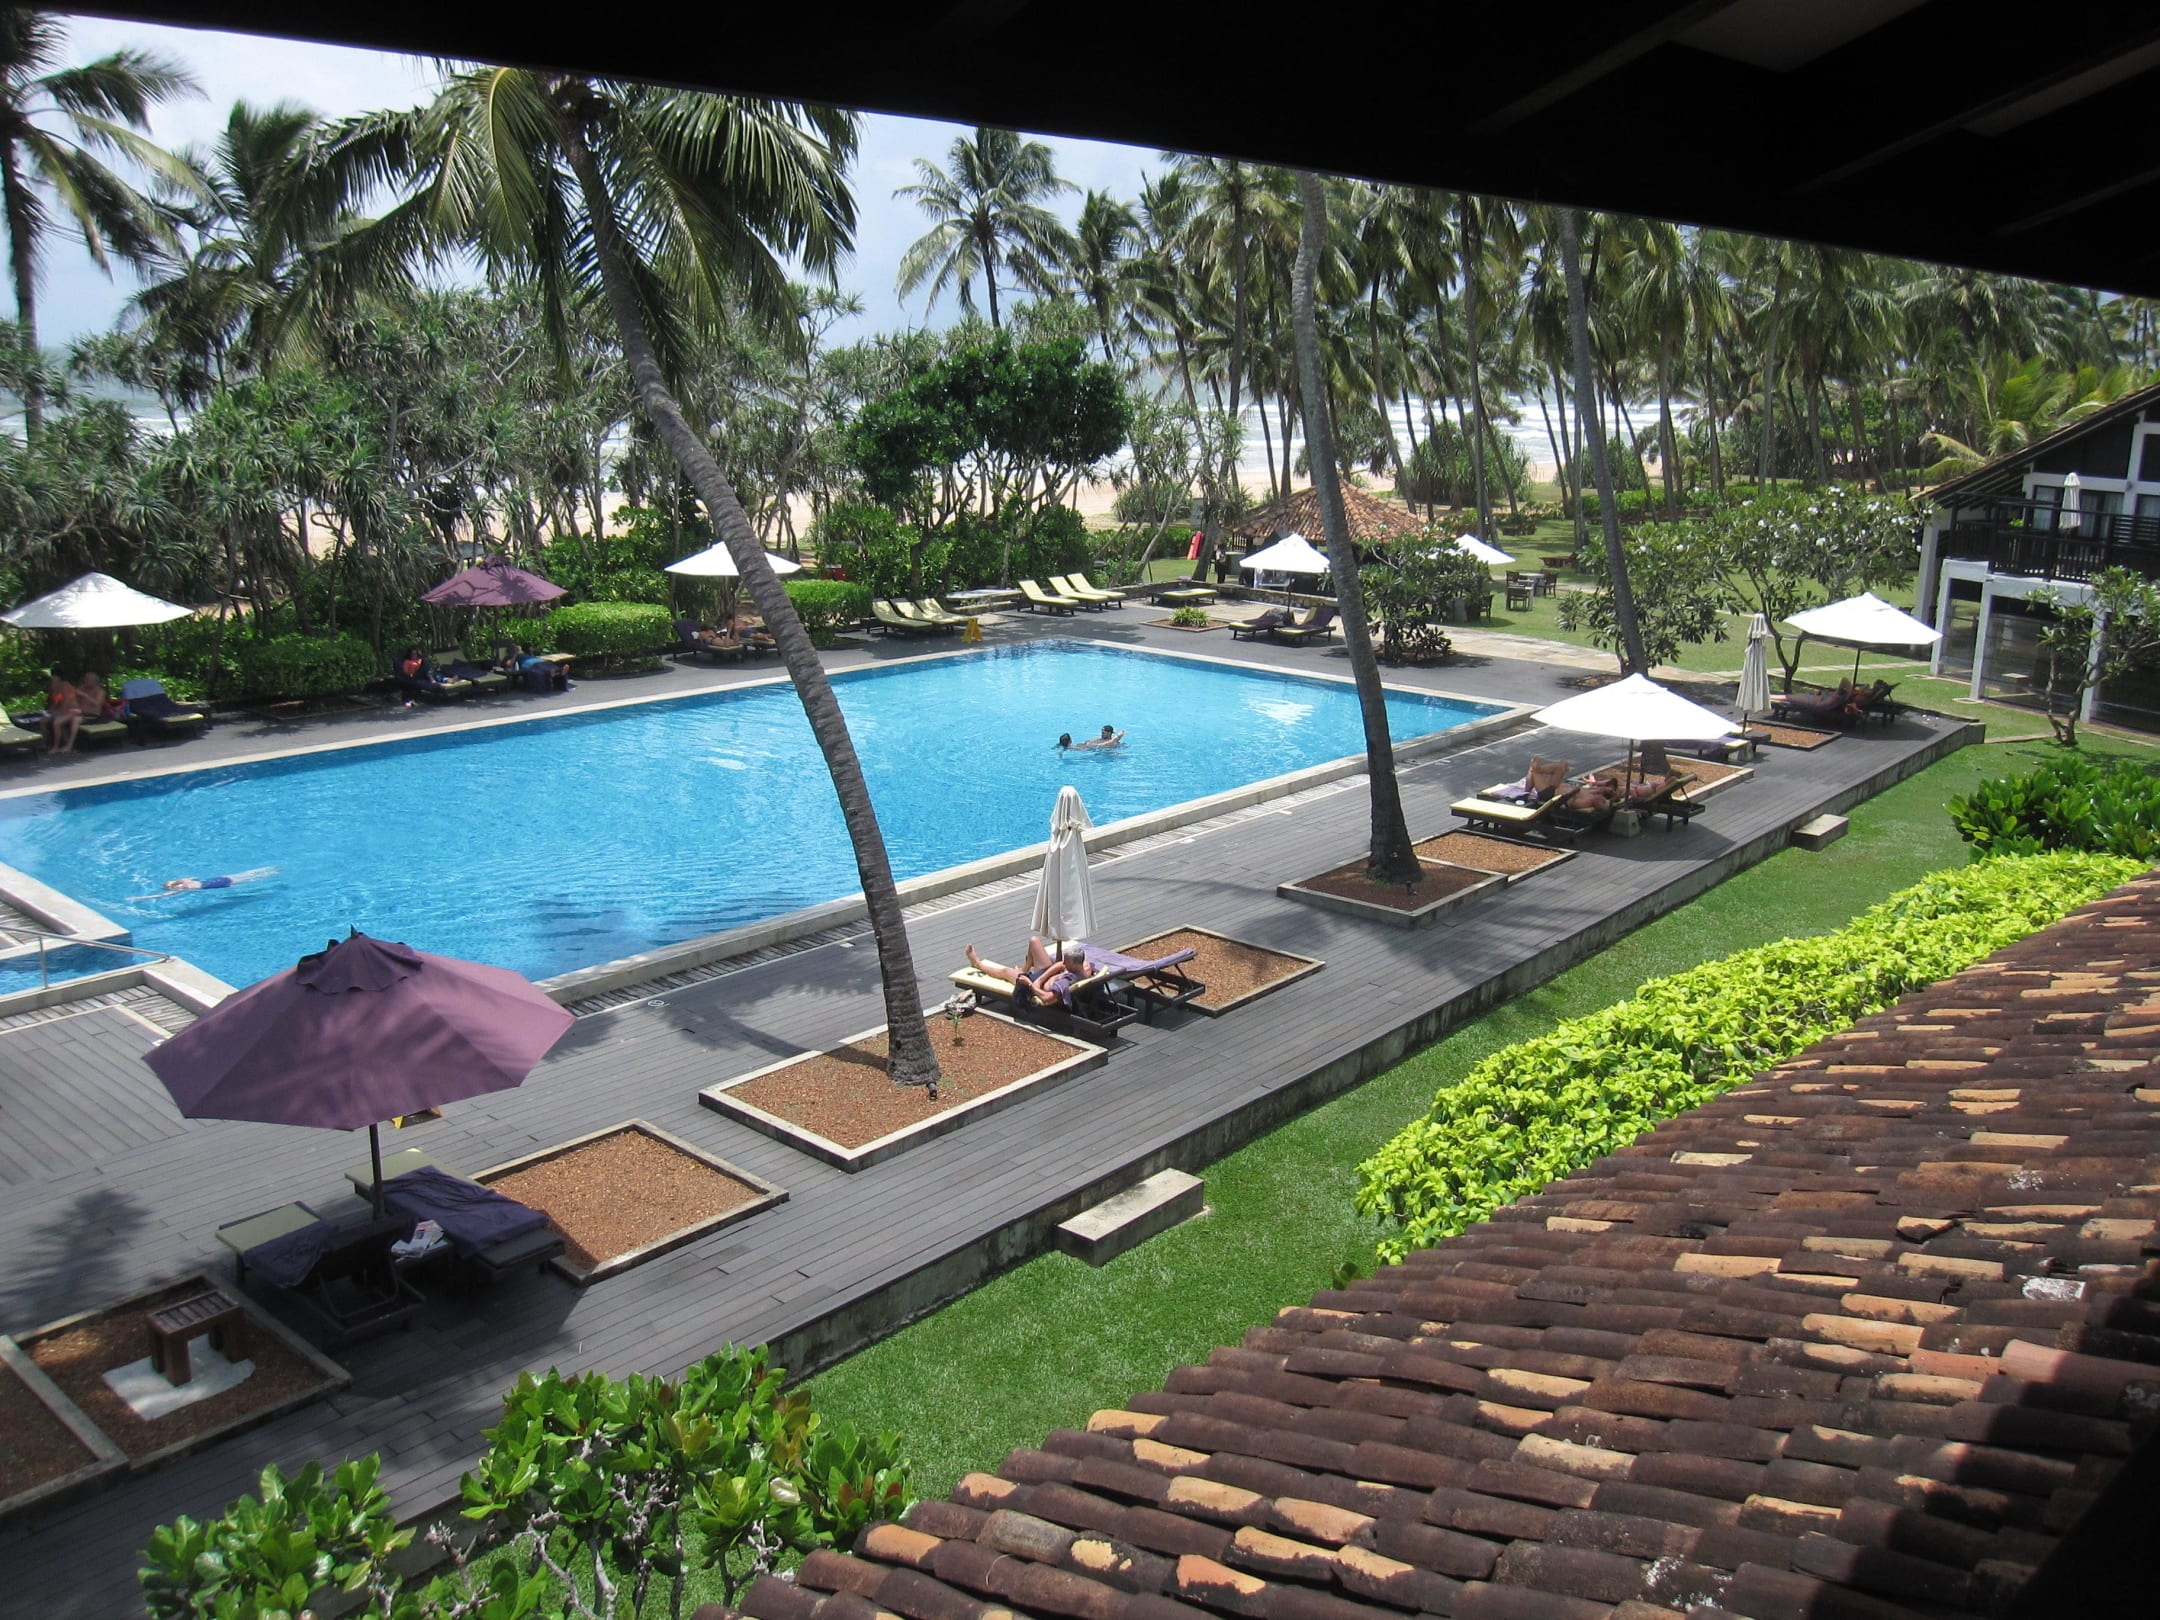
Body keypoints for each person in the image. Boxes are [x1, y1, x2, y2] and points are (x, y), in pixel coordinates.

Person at [966, 938, 1088, 1007]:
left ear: (1074, 964)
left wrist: (1030, 984)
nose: (1064, 963)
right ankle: (1024, 969)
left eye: (1067, 962)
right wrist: (1042, 978)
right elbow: (1060, 964)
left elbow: (1046, 998)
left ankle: (977, 964)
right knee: (1034, 941)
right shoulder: (1085, 968)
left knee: (1006, 972)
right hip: (1043, 976)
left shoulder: (1065, 982)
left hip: (1033, 983)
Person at [43, 670, 80, 754]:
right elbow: (57, 702)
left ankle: (55, 747)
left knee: (57, 723)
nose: (52, 678)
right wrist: (50, 711)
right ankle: (46, 744)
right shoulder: (55, 687)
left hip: (73, 710)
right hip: (62, 710)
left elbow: (66, 701)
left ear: (58, 677)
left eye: (54, 676)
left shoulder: (65, 685)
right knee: (43, 721)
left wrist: (60, 713)